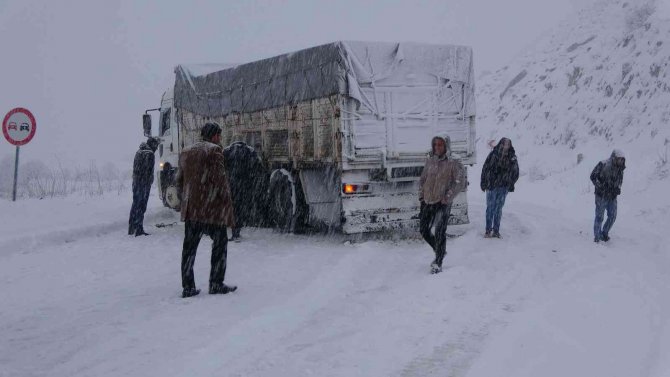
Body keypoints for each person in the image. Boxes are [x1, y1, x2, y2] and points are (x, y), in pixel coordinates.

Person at [176, 123, 238, 298]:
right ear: (215, 136)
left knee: (189, 248)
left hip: (191, 210)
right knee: (220, 243)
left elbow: (179, 181)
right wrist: (227, 204)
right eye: (219, 135)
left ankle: (188, 287)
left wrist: (186, 200)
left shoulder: (186, 151)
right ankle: (216, 283)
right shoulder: (214, 151)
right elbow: (220, 180)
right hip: (210, 209)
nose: (220, 138)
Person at [418, 136, 466, 274]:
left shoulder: (453, 161)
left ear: (446, 146)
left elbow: (459, 182)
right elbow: (423, 179)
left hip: (442, 203)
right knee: (423, 230)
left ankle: (438, 262)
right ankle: (440, 250)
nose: (437, 147)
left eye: (440, 145)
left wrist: (447, 197)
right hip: (427, 201)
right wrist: (421, 195)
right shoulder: (430, 159)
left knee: (439, 232)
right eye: (435, 145)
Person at [223, 141, 263, 242]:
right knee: (240, 209)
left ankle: (234, 232)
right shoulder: (250, 151)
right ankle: (237, 231)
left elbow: (222, 166)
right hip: (245, 186)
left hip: (232, 185)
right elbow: (258, 166)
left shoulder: (227, 151)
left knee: (234, 209)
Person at [480, 137, 519, 238]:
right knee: (490, 208)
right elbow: (485, 168)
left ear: (510, 145)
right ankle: (488, 231)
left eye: (507, 144)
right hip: (491, 186)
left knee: (498, 209)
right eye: (504, 143)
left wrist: (510, 183)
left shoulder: (512, 157)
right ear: (500, 144)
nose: (505, 146)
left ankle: (496, 231)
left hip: (503, 187)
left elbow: (515, 172)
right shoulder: (493, 154)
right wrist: (483, 182)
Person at [590, 150, 626, 243]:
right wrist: (601, 187)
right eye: (619, 159)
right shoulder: (603, 164)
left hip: (612, 197)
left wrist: (617, 188)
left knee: (613, 216)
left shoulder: (621, 168)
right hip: (601, 196)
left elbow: (619, 181)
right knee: (599, 217)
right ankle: (597, 237)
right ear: (614, 158)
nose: (620, 162)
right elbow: (593, 176)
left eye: (622, 160)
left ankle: (604, 233)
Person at [128, 137, 159, 236]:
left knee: (135, 204)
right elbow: (147, 171)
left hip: (136, 182)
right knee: (141, 206)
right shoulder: (149, 154)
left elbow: (136, 169)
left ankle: (131, 227)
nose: (157, 149)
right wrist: (148, 182)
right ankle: (139, 229)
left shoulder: (139, 151)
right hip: (143, 184)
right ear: (153, 145)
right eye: (156, 146)